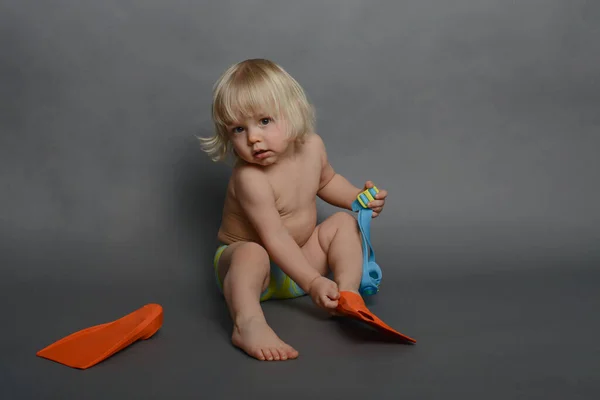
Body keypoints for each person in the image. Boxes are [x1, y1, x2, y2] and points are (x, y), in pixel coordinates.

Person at [199, 59, 388, 361]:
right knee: (252, 252)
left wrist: (358, 198)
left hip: (299, 261)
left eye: (264, 121)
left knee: (342, 222)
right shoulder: (250, 178)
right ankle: (247, 322)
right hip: (253, 277)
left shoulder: (313, 146)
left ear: (292, 112)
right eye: (238, 128)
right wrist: (312, 281)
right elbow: (273, 237)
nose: (253, 138)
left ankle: (347, 295)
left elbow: (327, 181)